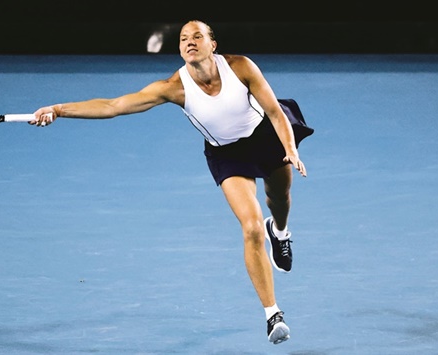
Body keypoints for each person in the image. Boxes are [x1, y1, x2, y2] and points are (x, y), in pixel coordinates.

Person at [31, 20, 313, 345]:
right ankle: (272, 314)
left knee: (280, 199)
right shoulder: (174, 87)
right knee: (250, 227)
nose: (190, 42)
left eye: (197, 36)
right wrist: (58, 109)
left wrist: (290, 149)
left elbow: (276, 112)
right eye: (183, 39)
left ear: (213, 44)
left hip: (265, 136)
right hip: (227, 154)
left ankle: (279, 231)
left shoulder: (241, 67)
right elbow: (113, 106)